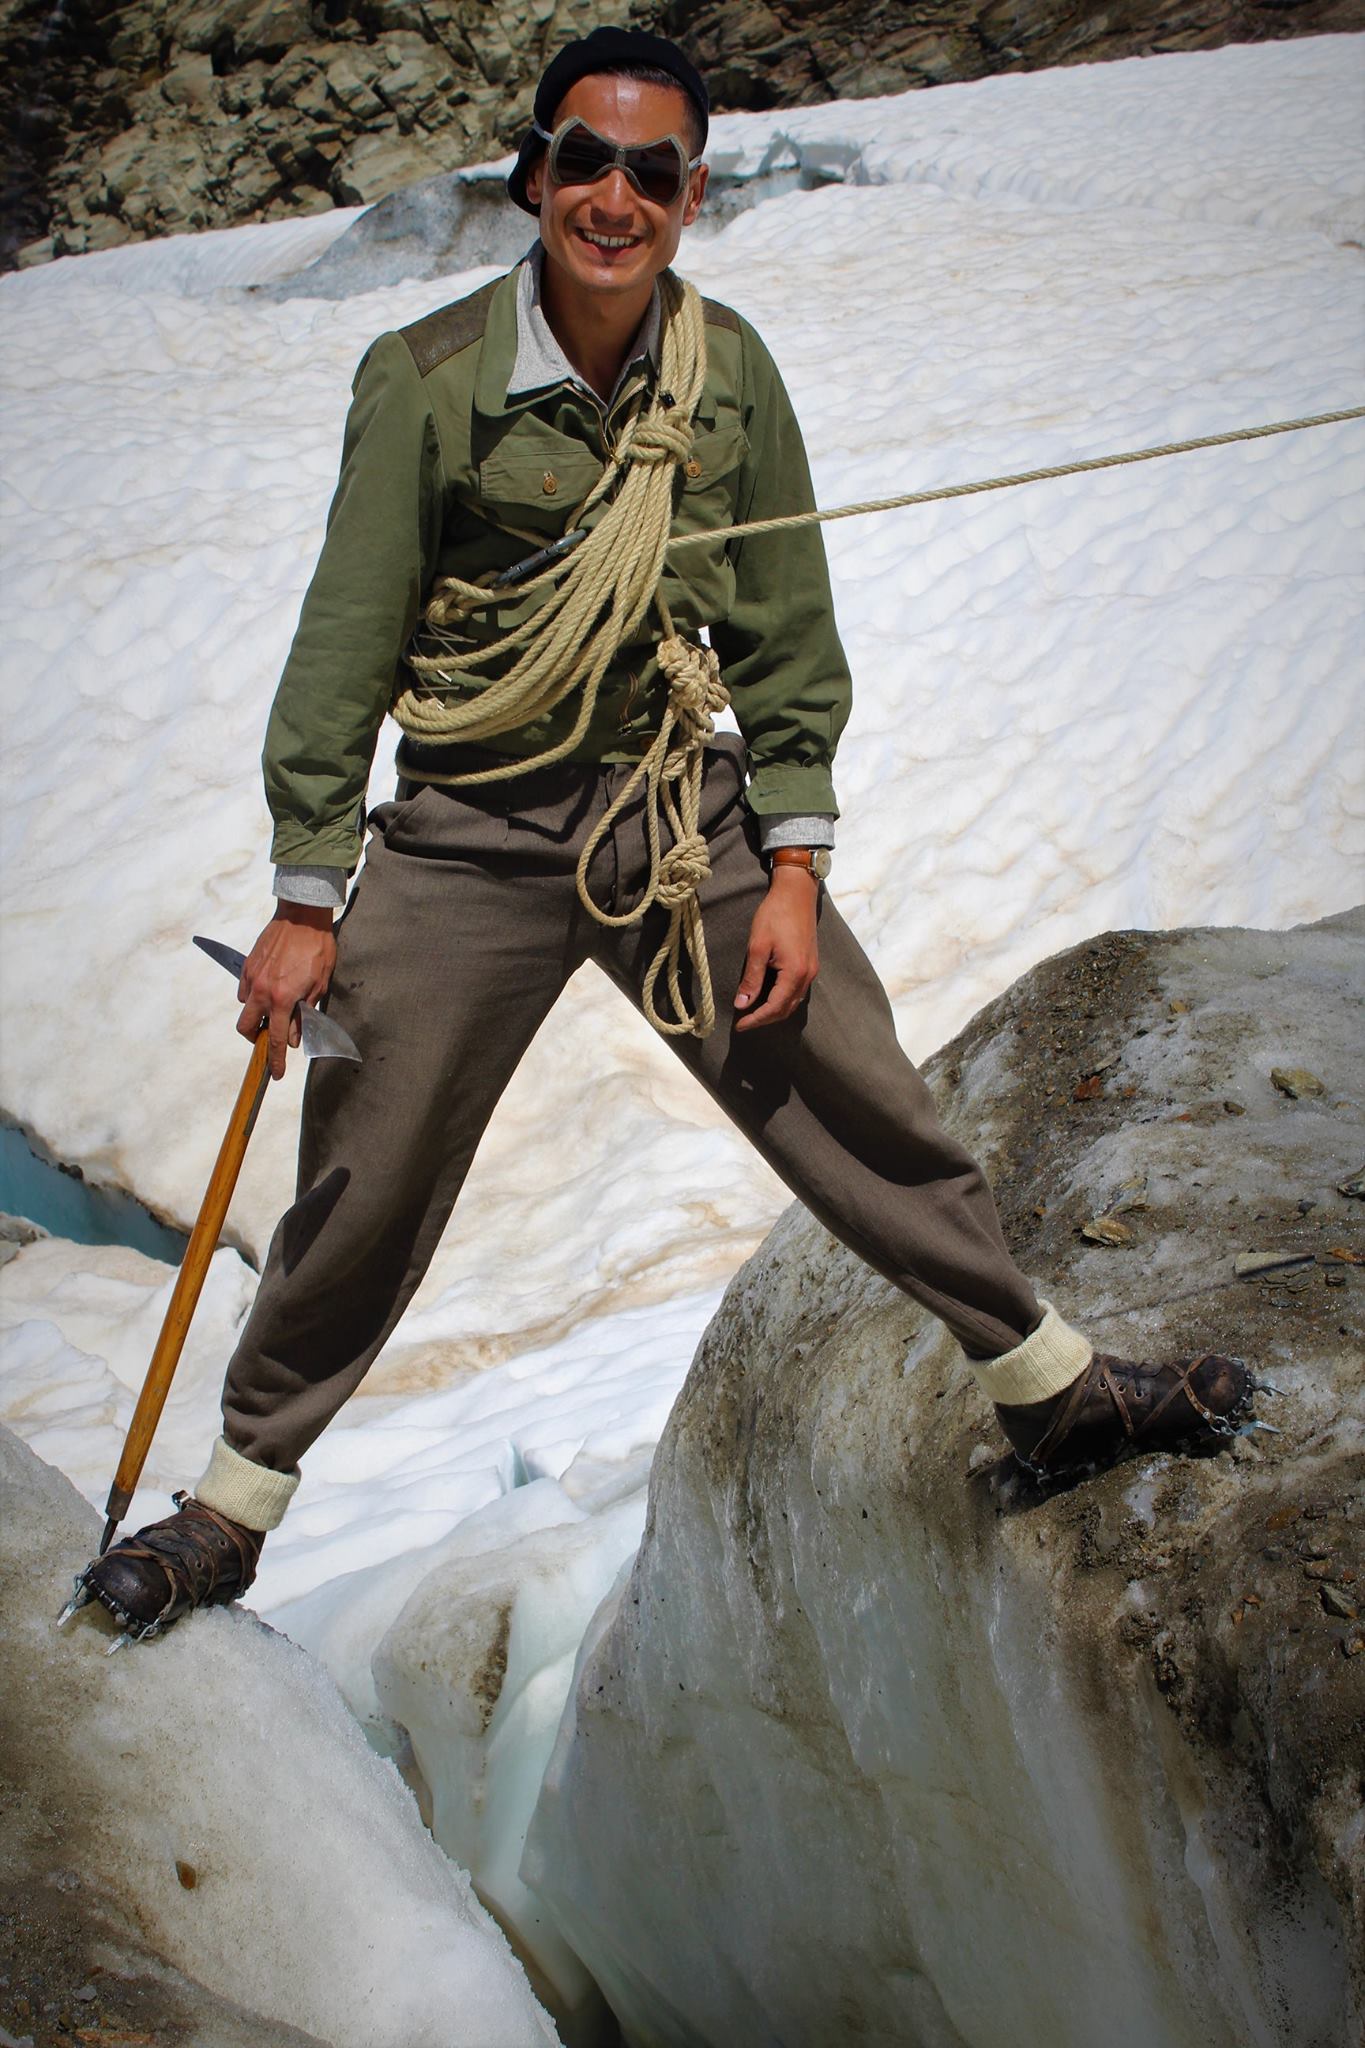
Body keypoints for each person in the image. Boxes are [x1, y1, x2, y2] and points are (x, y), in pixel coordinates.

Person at [79, 28, 1254, 1637]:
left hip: (666, 810)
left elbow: (783, 634)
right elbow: (344, 643)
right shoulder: (427, 385)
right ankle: (233, 1507)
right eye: (584, 159)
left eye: (650, 170)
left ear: (689, 196)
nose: (613, 197)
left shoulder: (729, 374)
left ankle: (1048, 1388)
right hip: (464, 832)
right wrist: (307, 893)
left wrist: (789, 867)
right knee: (368, 1167)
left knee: (849, 1086)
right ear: (533, 176)